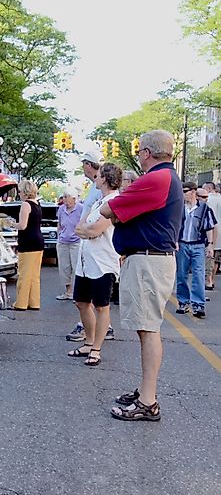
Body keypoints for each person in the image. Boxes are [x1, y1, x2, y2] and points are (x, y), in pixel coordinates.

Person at [101, 130, 182, 422]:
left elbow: (107, 208)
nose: (137, 156)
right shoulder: (167, 178)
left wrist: (119, 209)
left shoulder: (156, 179)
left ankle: (148, 401)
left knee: (148, 330)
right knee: (146, 328)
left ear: (147, 152)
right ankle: (144, 391)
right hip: (150, 260)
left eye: (138, 152)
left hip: (149, 261)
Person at [66, 163, 122, 366]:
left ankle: (96, 349)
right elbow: (80, 228)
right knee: (81, 302)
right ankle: (88, 342)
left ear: (105, 179)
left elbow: (94, 230)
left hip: (103, 263)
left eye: (98, 176)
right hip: (85, 261)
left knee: (101, 306)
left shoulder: (114, 201)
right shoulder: (99, 202)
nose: (95, 179)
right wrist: (86, 230)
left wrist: (87, 230)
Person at [65, 150, 106, 337]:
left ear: (89, 165)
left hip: (96, 247)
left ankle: (90, 332)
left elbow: (99, 220)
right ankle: (95, 330)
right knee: (85, 298)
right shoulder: (94, 187)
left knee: (96, 299)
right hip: (87, 244)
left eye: (84, 164)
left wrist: (84, 230)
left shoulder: (101, 189)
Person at [174, 182, 216, 318]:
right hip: (182, 244)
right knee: (181, 274)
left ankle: (198, 304)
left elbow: (209, 227)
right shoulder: (180, 208)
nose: (183, 194)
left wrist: (210, 245)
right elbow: (175, 226)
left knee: (198, 275)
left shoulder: (204, 209)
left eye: (185, 191)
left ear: (193, 192)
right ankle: (183, 302)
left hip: (198, 244)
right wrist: (175, 241)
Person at [11, 179, 44, 311]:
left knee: (24, 274)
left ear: (25, 192)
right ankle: (34, 302)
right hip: (38, 241)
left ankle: (21, 303)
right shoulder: (37, 204)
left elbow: (22, 225)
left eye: (19, 191)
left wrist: (11, 224)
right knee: (34, 275)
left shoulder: (25, 205)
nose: (19, 193)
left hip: (28, 242)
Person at [55, 187, 83, 300]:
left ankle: (77, 293)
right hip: (63, 242)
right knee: (64, 268)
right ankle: (68, 291)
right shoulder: (61, 209)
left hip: (76, 242)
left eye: (67, 197)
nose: (64, 199)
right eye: (63, 197)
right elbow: (59, 224)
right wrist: (59, 235)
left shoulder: (81, 209)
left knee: (77, 267)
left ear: (74, 198)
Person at [202, 182, 221, 290]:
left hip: (212, 232)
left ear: (209, 188)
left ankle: (208, 280)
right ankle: (212, 279)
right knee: (217, 258)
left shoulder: (208, 200)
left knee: (209, 257)